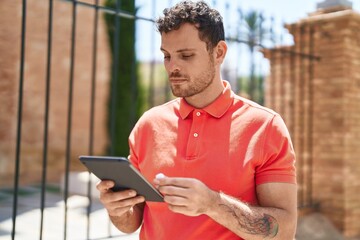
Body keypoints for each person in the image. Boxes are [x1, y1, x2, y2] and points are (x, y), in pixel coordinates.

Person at [96, 1, 297, 239]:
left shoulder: (265, 127)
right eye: (167, 56)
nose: (173, 67)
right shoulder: (148, 125)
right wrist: (117, 210)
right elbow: (132, 222)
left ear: (219, 52)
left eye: (186, 55)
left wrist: (212, 203)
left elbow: (284, 231)